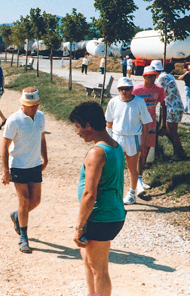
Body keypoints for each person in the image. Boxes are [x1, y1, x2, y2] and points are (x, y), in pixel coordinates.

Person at [70, 101, 126, 296]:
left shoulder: (97, 153)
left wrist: (79, 226)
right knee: (87, 257)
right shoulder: (115, 146)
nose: (77, 132)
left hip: (101, 217)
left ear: (88, 125)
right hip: (110, 214)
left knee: (99, 269)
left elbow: (89, 194)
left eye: (78, 127)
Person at [1, 87, 48, 254]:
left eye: (36, 104)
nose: (34, 108)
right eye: (30, 105)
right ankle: (24, 237)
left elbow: (42, 137)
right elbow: (5, 146)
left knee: (35, 200)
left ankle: (17, 215)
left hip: (34, 164)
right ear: (23, 104)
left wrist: (45, 157)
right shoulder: (14, 120)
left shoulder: (41, 117)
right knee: (24, 200)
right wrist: (6, 170)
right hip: (18, 165)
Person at [105, 77, 152, 205]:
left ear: (132, 89)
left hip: (133, 138)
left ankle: (132, 193)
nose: (124, 92)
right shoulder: (113, 102)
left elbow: (146, 124)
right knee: (116, 167)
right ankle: (115, 193)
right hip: (117, 137)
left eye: (127, 89)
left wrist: (144, 143)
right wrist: (108, 141)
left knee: (132, 167)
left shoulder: (139, 102)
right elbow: (109, 122)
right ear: (118, 89)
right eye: (121, 89)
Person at [132, 65, 166, 195]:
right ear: (144, 77)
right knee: (137, 152)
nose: (152, 79)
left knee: (145, 152)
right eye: (149, 76)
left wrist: (163, 125)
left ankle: (140, 177)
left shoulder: (159, 90)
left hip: (151, 125)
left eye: (153, 76)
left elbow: (163, 106)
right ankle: (135, 179)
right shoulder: (137, 90)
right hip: (138, 125)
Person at [153, 60, 187, 161]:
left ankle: (177, 154)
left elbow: (159, 94)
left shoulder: (161, 78)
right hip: (176, 106)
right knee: (168, 131)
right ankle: (181, 151)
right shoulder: (168, 75)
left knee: (172, 132)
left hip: (172, 107)